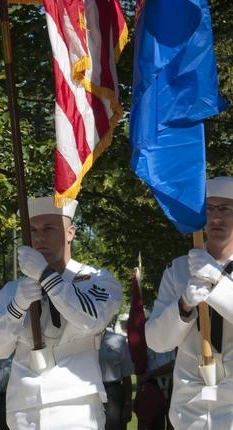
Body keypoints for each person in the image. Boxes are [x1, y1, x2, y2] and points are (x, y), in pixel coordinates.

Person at [0, 196, 123, 430]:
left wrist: (48, 278)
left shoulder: (96, 279)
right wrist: (17, 307)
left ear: (70, 233)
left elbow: (92, 320)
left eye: (49, 228)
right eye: (33, 230)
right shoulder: (13, 290)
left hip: (75, 406)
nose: (39, 238)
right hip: (24, 409)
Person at [145, 176, 233, 429]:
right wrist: (183, 307)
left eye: (224, 209)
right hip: (190, 409)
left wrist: (216, 283)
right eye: (208, 209)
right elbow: (157, 342)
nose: (215, 218)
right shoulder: (179, 270)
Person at [98, 328, 134, 430]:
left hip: (113, 392)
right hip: (92, 392)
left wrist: (128, 404)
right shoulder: (83, 341)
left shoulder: (118, 340)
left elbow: (127, 375)